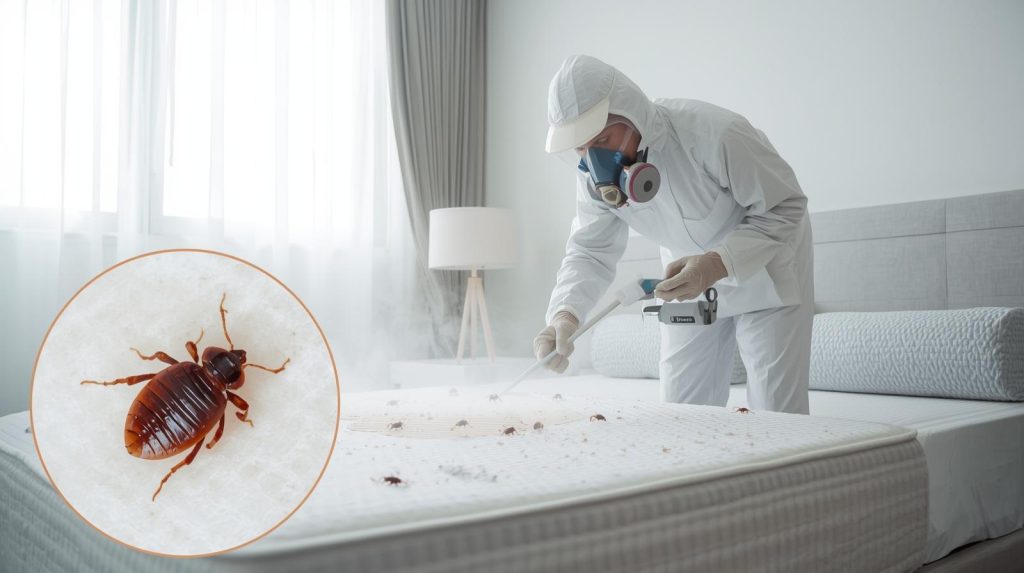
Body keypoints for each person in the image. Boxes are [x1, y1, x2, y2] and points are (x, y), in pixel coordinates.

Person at [533, 55, 814, 414]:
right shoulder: (591, 179)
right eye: (582, 148)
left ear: (631, 113)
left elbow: (786, 205)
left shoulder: (713, 134)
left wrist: (717, 262)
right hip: (685, 284)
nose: (595, 160)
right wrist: (564, 315)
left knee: (776, 417)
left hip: (765, 273)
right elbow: (590, 251)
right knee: (681, 414)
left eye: (603, 138)